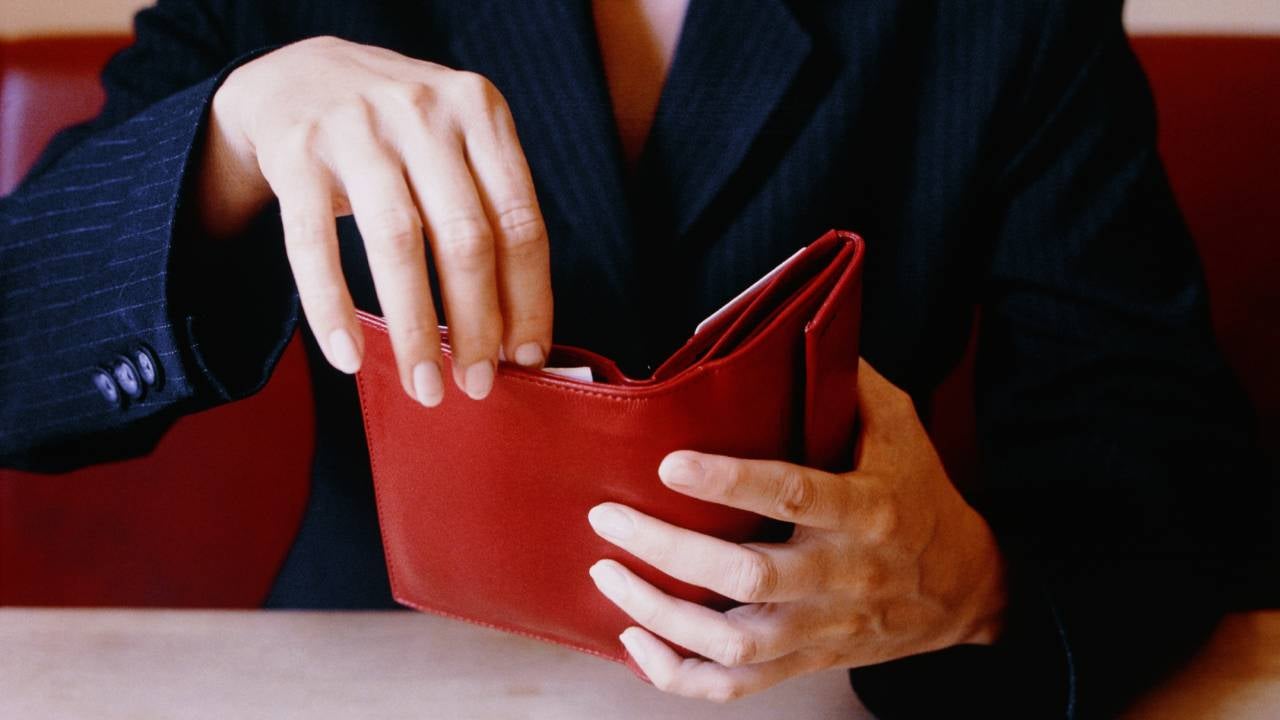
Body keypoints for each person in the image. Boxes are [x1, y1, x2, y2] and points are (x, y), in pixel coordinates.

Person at [0, 1, 1269, 717]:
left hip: (822, 690)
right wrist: (227, 139)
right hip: (373, 671)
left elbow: (1164, 461)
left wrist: (975, 586)